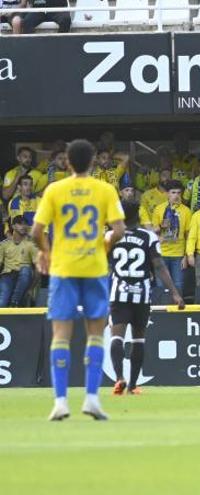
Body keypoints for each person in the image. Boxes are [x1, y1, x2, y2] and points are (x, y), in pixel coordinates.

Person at [32, 139, 126, 421]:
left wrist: (46, 253)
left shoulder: (55, 189)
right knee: (95, 335)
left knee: (61, 336)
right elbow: (119, 230)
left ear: (68, 162)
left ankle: (60, 401)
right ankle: (92, 399)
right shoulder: (105, 189)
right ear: (94, 161)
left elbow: (37, 231)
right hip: (94, 268)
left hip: (64, 269)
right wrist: (105, 243)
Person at [109, 202, 184, 396]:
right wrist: (175, 293)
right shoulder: (148, 237)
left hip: (119, 293)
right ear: (139, 216)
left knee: (116, 336)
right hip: (141, 295)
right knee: (138, 339)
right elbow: (159, 266)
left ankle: (119, 379)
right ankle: (133, 385)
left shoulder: (112, 236)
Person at [151, 180, 192, 294]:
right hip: (161, 254)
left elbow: (188, 235)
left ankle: (177, 310)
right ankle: (162, 311)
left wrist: (186, 256)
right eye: (173, 192)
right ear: (167, 194)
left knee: (178, 285)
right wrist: (159, 233)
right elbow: (154, 232)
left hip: (178, 255)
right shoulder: (159, 209)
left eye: (179, 193)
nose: (176, 196)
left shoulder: (186, 211)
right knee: (160, 286)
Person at [0, 216, 39, 307]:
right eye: (20, 223)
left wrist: (32, 288)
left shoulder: (31, 245)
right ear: (13, 226)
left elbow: (38, 268)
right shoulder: (4, 244)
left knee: (25, 269)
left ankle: (14, 302)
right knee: (2, 302)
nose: (24, 226)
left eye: (25, 224)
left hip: (24, 276)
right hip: (8, 276)